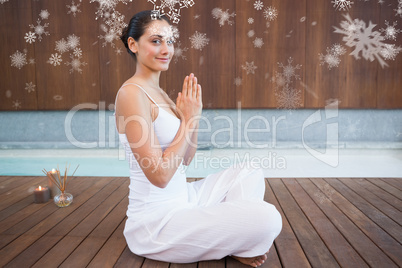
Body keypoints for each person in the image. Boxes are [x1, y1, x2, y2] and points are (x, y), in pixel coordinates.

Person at [115, 10, 282, 267]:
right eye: (156, 40)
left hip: (186, 200)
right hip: (157, 223)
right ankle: (237, 237)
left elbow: (186, 159)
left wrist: (194, 118)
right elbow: (159, 176)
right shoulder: (131, 94)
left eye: (170, 41)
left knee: (250, 170)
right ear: (133, 44)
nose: (166, 49)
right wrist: (188, 119)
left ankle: (233, 237)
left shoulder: (160, 93)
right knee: (269, 218)